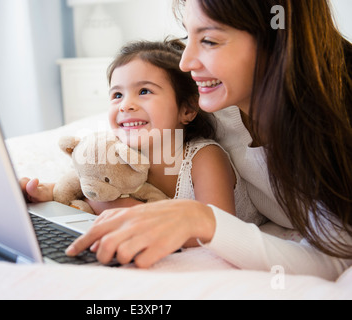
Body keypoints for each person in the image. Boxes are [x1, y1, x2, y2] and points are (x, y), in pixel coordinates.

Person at [66, 0, 352, 281]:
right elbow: (132, 127)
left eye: (210, 41)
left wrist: (202, 220)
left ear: (277, 42)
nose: (186, 62)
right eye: (188, 35)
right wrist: (65, 189)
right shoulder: (212, 101)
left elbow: (333, 259)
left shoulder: (333, 132)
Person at [20, 39, 263, 248]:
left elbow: (218, 231)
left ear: (187, 109)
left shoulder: (205, 159)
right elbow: (82, 181)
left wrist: (113, 205)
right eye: (117, 95)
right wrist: (45, 193)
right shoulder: (115, 151)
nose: (125, 105)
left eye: (144, 91)